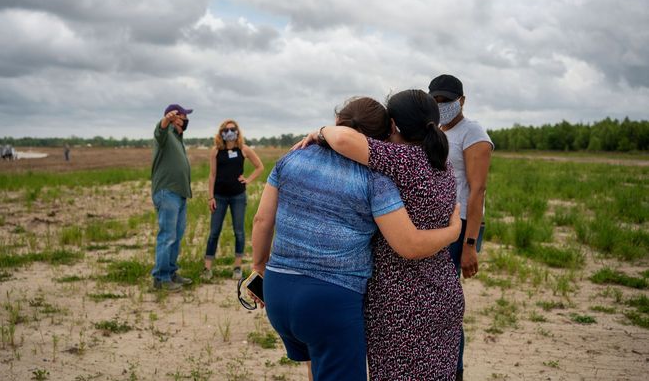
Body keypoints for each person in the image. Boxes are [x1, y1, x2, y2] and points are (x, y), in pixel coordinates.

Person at [252, 97, 461, 381]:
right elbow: (408, 244)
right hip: (331, 299)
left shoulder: (292, 157)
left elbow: (262, 220)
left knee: (317, 362)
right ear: (382, 135)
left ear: (339, 121)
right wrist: (453, 232)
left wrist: (259, 267)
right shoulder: (376, 178)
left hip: (278, 292)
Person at [429, 74, 494, 381]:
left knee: (447, 302)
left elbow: (477, 190)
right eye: (436, 101)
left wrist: (469, 244)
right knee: (435, 297)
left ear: (462, 101)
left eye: (447, 101)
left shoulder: (474, 134)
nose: (441, 106)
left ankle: (454, 371)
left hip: (461, 226)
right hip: (439, 225)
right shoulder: (434, 131)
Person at [204, 119, 264, 280]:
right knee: (214, 232)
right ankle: (207, 268)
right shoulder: (216, 151)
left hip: (238, 196)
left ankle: (237, 266)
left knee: (238, 231)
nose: (229, 132)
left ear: (237, 131)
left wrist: (248, 179)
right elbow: (212, 174)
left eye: (232, 129)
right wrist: (210, 196)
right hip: (219, 196)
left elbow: (260, 166)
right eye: (226, 130)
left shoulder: (243, 149)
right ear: (221, 133)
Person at [150, 103, 194, 291]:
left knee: (176, 236)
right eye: (183, 117)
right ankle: (161, 278)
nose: (186, 121)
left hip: (179, 193)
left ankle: (170, 272)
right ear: (175, 117)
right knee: (167, 236)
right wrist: (166, 120)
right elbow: (159, 131)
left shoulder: (177, 137)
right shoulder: (165, 135)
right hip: (167, 192)